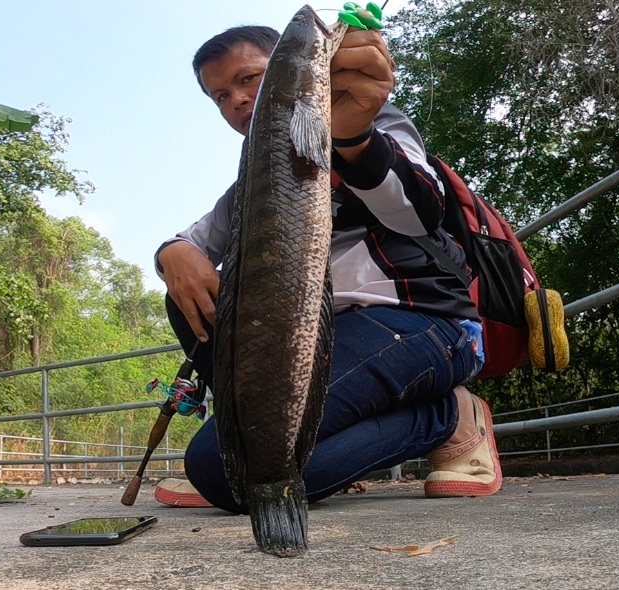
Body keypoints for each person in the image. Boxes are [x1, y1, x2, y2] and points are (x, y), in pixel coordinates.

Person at [152, 20, 502, 513]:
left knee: (230, 474)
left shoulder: (377, 121)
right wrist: (172, 253)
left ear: (293, 72)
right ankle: (241, 442)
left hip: (421, 324)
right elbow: (193, 240)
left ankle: (451, 416)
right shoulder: (251, 180)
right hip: (316, 346)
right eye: (220, 95)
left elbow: (421, 210)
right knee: (182, 289)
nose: (235, 100)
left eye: (249, 78)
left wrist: (354, 135)